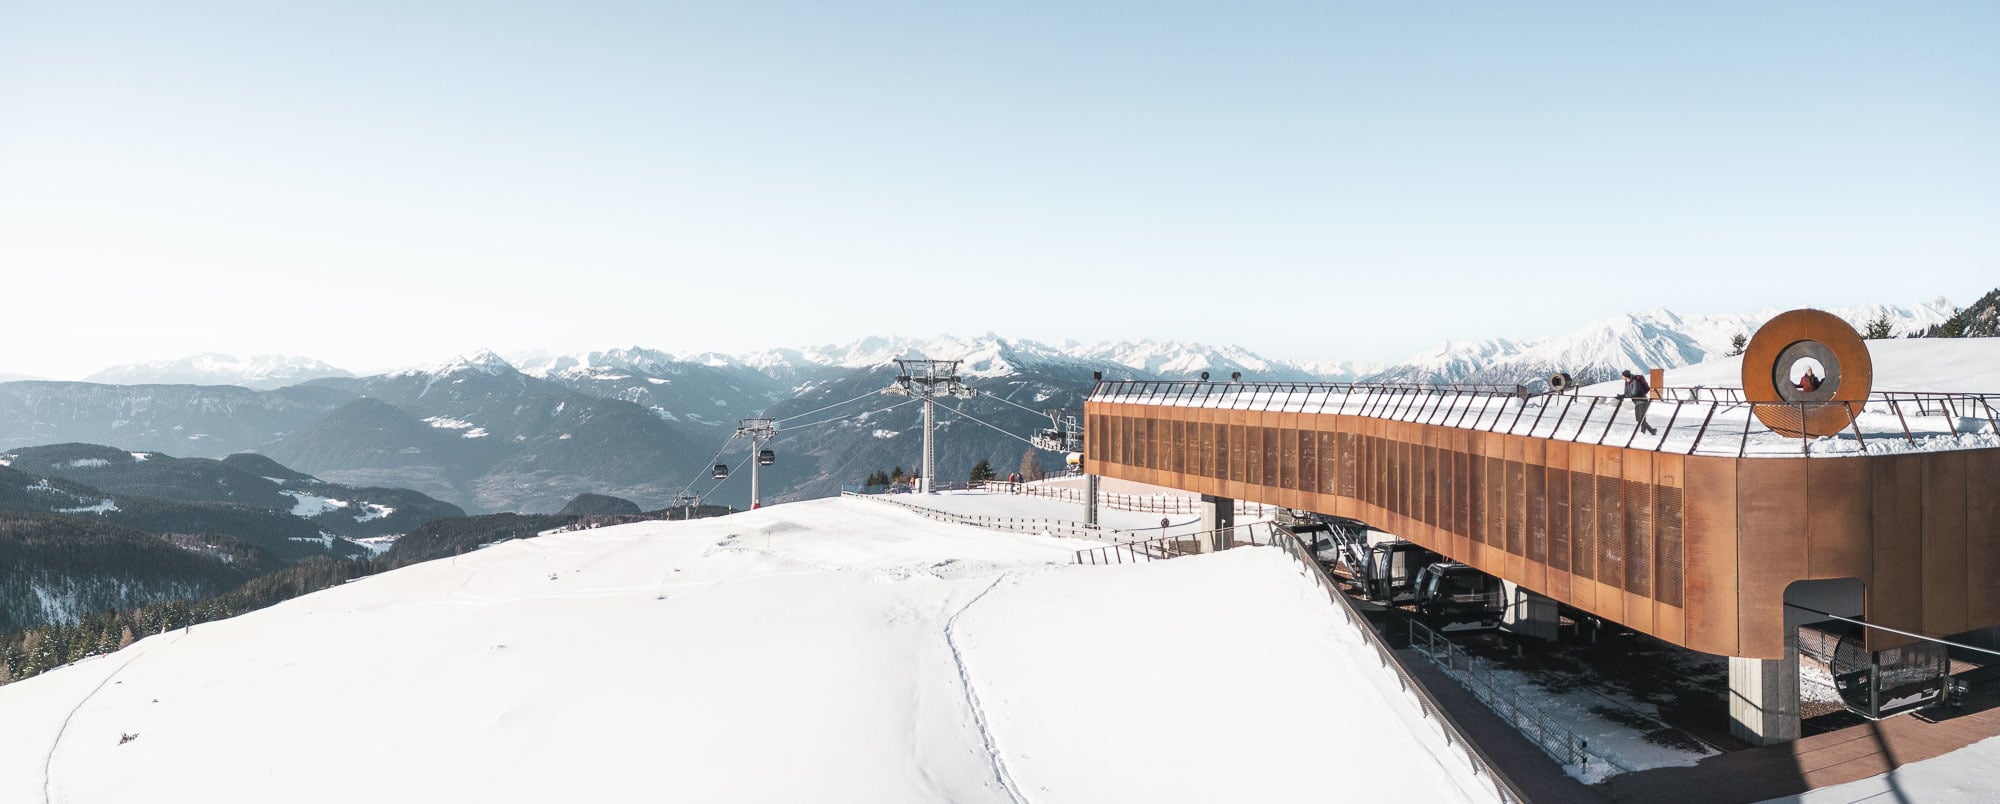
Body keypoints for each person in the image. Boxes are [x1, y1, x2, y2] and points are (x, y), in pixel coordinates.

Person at [1620, 370, 1659, 435]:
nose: (1622, 377)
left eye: (1622, 376)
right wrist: (1622, 396)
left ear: (1626, 376)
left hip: (1642, 401)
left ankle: (1643, 433)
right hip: (1636, 402)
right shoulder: (1627, 382)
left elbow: (1634, 393)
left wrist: (1624, 396)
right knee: (1638, 419)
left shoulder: (1635, 381)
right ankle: (1652, 430)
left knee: (1641, 418)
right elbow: (1626, 393)